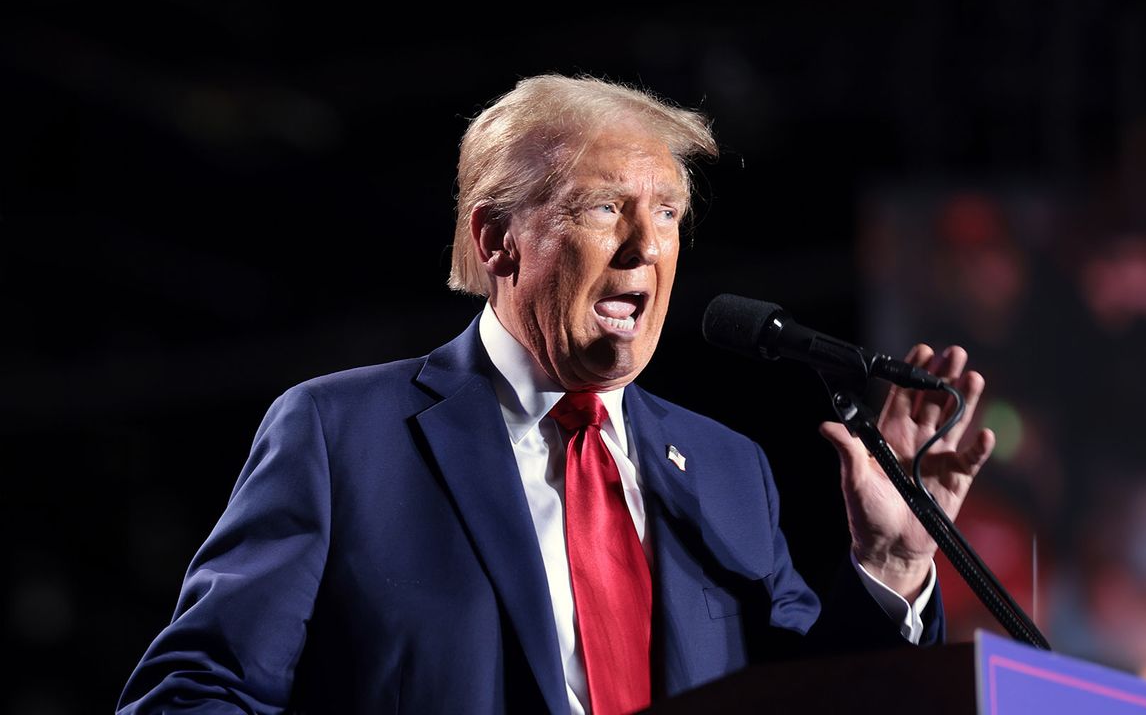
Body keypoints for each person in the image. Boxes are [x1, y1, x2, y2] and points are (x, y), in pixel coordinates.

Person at [117, 75, 994, 714]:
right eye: (606, 208)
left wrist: (890, 564)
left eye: (668, 216)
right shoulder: (341, 435)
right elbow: (195, 694)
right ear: (497, 240)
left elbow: (819, 701)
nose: (645, 246)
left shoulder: (726, 468)